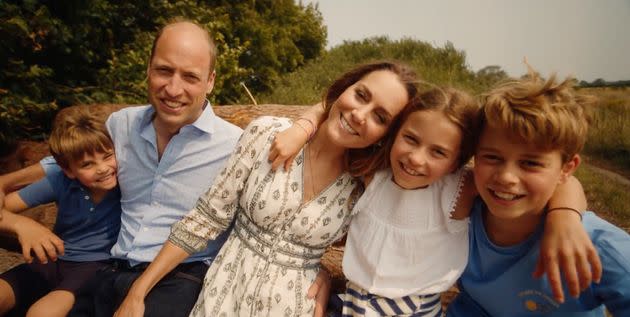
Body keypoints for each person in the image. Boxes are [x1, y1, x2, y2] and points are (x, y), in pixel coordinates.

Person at [113, 61, 420, 317]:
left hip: (295, 306)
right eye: (361, 95)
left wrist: (325, 274)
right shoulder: (268, 133)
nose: (360, 114)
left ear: (385, 135)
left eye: (380, 117)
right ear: (344, 90)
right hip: (224, 296)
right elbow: (207, 218)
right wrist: (138, 291)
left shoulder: (363, 185)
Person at [272, 86, 595, 316]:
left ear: (457, 161)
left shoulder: (458, 189)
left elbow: (564, 181)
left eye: (438, 152)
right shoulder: (373, 172)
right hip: (356, 304)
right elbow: (331, 108)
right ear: (395, 134)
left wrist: (564, 217)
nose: (416, 158)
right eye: (410, 139)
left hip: (414, 311)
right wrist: (302, 127)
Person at [0, 19, 243, 317]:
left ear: (210, 81)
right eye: (164, 70)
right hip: (109, 269)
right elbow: (66, 163)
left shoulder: (236, 146)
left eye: (190, 77)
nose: (173, 88)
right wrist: (8, 188)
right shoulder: (121, 125)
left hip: (179, 276)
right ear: (149, 69)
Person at [447, 70, 630, 316]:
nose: (506, 177)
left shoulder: (597, 248)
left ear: (567, 168)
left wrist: (564, 216)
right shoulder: (460, 212)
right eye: (492, 157)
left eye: (530, 163)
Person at [0, 108, 121, 317]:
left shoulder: (126, 180)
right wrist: (22, 225)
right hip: (52, 259)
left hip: (94, 266)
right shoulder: (60, 181)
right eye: (87, 164)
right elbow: (6, 207)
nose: (102, 168)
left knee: (41, 313)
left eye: (108, 156)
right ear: (69, 170)